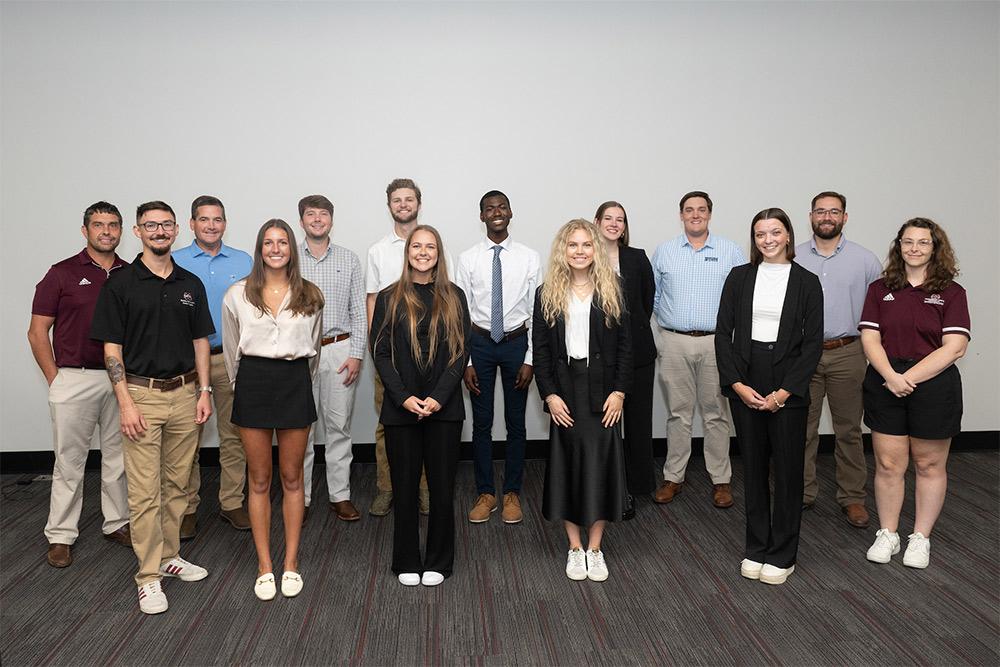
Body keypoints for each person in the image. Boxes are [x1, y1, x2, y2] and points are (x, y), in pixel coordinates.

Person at [90, 201, 215, 615]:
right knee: (144, 493)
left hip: (185, 395)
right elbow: (112, 347)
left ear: (177, 229)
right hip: (139, 397)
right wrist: (124, 401)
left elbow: (201, 341)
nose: (159, 231)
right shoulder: (121, 284)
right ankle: (147, 577)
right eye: (150, 226)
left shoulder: (190, 283)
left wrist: (204, 391)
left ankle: (168, 556)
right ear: (139, 232)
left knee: (178, 486)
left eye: (165, 225)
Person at [715, 208, 823, 585]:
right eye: (760, 234)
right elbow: (722, 333)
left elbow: (812, 345)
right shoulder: (739, 276)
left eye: (775, 232)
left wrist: (782, 393)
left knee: (789, 473)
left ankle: (782, 553)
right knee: (755, 470)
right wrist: (738, 386)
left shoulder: (807, 282)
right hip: (746, 377)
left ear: (789, 235)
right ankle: (756, 546)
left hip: (788, 382)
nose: (768, 239)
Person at [222, 219, 324, 600]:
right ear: (259, 249)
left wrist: (298, 381)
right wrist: (244, 387)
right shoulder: (237, 294)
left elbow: (313, 349)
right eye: (269, 242)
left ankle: (290, 563)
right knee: (260, 479)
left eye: (283, 242)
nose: (276, 248)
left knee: (293, 477)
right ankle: (265, 566)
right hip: (253, 383)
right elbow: (232, 350)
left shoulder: (311, 294)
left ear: (291, 249)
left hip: (295, 384)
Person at [860, 218, 969, 569]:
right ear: (899, 246)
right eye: (908, 242)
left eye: (923, 243)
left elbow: (954, 347)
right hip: (885, 380)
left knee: (928, 464)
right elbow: (870, 338)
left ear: (935, 249)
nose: (915, 249)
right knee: (889, 464)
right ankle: (888, 533)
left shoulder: (952, 293)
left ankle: (920, 538)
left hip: (933, 385)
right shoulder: (880, 289)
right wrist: (891, 376)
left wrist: (908, 378)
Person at [29, 201, 131, 568]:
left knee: (119, 459)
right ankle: (60, 535)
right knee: (69, 462)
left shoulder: (131, 274)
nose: (106, 231)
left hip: (120, 380)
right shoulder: (61, 273)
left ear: (121, 231)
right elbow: (38, 331)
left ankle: (118, 523)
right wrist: (57, 380)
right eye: (99, 225)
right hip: (74, 378)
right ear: (85, 230)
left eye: (113, 225)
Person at [370, 225, 470, 587]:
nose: (423, 252)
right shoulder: (388, 297)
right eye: (417, 246)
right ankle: (406, 560)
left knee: (442, 489)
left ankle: (440, 561)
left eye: (430, 247)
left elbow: (461, 353)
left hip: (445, 408)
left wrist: (439, 397)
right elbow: (379, 353)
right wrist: (403, 397)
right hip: (401, 408)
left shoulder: (455, 296)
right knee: (406, 488)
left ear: (439, 253)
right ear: (407, 251)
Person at [533, 219, 632, 582]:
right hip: (565, 390)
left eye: (586, 245)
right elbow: (540, 352)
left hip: (603, 391)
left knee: (603, 466)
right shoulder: (546, 292)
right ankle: (575, 548)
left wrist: (619, 392)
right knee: (569, 468)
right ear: (563, 249)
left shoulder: (613, 289)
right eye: (572, 245)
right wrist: (550, 395)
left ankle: (596, 548)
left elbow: (626, 348)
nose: (579, 251)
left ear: (596, 250)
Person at [651, 191, 746, 509]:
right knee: (678, 414)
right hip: (674, 340)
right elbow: (653, 298)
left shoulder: (730, 251)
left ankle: (721, 480)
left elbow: (741, 299)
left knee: (716, 414)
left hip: (716, 342)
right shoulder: (664, 252)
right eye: (689, 210)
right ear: (680, 215)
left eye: (701, 210)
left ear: (709, 214)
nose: (695, 215)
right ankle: (673, 477)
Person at [794, 191, 882, 527]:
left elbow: (880, 310)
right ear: (811, 216)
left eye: (834, 211)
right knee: (802, 429)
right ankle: (801, 492)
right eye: (820, 211)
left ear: (845, 217)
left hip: (849, 352)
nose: (827, 217)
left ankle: (852, 498)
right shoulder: (794, 257)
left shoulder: (866, 260)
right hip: (804, 355)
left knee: (848, 431)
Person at [458, 190, 541, 525]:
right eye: (489, 208)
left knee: (516, 424)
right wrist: (465, 362)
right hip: (478, 345)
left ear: (510, 212)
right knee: (481, 424)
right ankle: (486, 493)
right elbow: (461, 313)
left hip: (516, 345)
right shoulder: (468, 259)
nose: (496, 212)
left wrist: (531, 358)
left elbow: (537, 311)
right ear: (482, 217)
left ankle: (512, 493)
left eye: (502, 207)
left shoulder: (530, 257)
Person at [172, 195, 253, 537]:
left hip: (231, 359)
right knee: (187, 436)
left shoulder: (244, 261)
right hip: (186, 364)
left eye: (217, 219)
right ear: (191, 224)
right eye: (203, 219)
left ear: (224, 223)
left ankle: (232, 502)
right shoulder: (172, 261)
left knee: (234, 435)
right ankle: (187, 506)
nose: (210, 225)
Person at [297, 195, 367, 523]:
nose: (317, 220)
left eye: (323, 215)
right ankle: (303, 497)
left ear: (331, 221)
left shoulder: (349, 259)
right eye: (311, 215)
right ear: (302, 221)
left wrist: (356, 355)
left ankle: (340, 495)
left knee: (339, 426)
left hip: (339, 348)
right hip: (297, 352)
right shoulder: (289, 258)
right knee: (301, 428)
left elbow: (359, 311)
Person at [365, 178, 429, 517]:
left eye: (409, 199)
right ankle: (386, 488)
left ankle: (423, 488)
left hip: (427, 357)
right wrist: (379, 352)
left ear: (419, 202)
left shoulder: (429, 243)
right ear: (389, 205)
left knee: (426, 422)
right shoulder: (378, 250)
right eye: (396, 200)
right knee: (386, 423)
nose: (403, 204)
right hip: (391, 355)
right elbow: (373, 301)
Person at [594, 201, 656, 506]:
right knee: (604, 422)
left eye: (620, 219)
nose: (614, 224)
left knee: (639, 421)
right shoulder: (585, 256)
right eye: (608, 218)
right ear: (597, 222)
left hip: (639, 353)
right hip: (602, 355)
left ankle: (639, 486)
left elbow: (647, 301)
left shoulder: (637, 258)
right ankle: (608, 486)